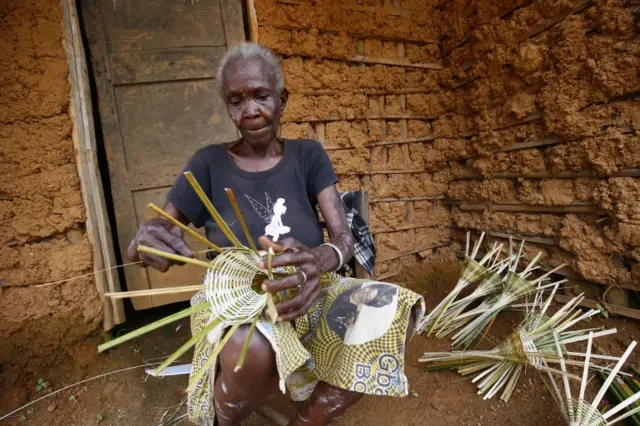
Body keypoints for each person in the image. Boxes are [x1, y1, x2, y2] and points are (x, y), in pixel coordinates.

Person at [127, 42, 425, 426]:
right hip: (240, 301)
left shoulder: (308, 155)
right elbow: (160, 231)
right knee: (249, 348)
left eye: (261, 96)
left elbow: (345, 237)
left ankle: (308, 420)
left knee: (397, 310)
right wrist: (146, 242)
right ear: (227, 107)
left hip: (308, 285)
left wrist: (321, 257)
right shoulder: (207, 163)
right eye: (236, 100)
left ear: (282, 99)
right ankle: (226, 416)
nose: (250, 110)